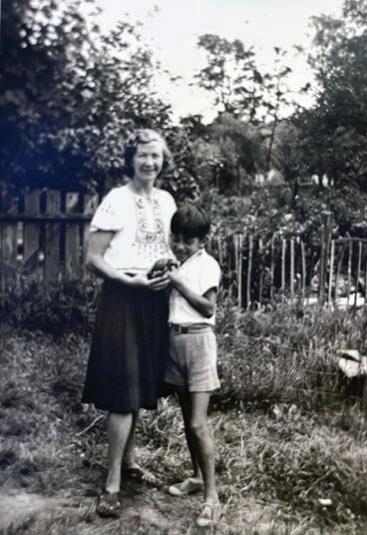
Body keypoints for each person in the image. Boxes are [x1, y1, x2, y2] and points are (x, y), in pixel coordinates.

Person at [81, 129, 177, 518]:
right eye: (142, 155)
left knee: (139, 384)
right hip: (122, 298)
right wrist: (128, 280)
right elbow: (93, 259)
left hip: (155, 299)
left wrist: (167, 268)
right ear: (130, 159)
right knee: (123, 390)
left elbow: (165, 247)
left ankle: (131, 462)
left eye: (156, 156)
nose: (149, 162)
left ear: (163, 160)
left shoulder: (166, 201)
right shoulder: (116, 200)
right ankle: (111, 484)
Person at [164, 204, 222, 528]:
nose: (181, 245)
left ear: (202, 241)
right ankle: (198, 477)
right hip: (176, 342)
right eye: (177, 239)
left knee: (199, 424)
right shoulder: (178, 264)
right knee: (188, 421)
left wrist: (177, 283)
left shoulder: (207, 265)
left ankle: (212, 499)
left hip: (199, 343)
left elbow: (207, 308)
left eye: (188, 241)